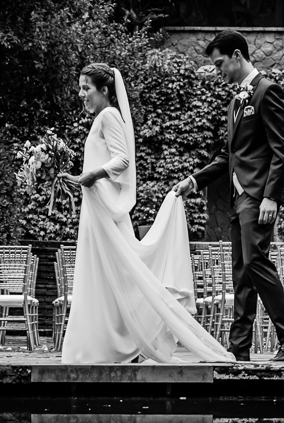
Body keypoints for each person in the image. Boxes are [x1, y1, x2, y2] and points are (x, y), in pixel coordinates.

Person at [58, 64, 234, 365]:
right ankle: (104, 345)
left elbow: (122, 159)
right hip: (96, 210)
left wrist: (92, 176)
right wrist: (78, 178)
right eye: (80, 87)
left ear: (104, 91)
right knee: (103, 277)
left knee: (116, 275)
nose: (81, 94)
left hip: (104, 212)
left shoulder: (109, 116)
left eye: (86, 88)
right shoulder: (100, 118)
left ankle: (120, 344)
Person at [170, 31, 284, 362]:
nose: (218, 71)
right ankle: (239, 348)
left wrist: (271, 197)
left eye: (220, 63)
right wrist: (193, 180)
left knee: (256, 261)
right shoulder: (235, 102)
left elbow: (281, 150)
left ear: (236, 55)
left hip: (258, 197)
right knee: (241, 272)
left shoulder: (267, 91)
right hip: (238, 198)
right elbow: (227, 157)